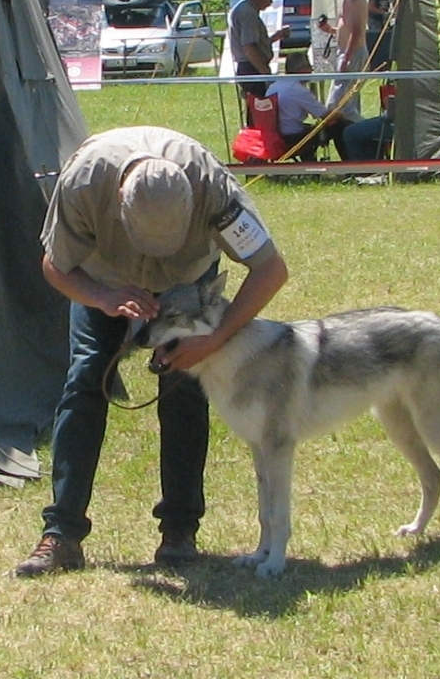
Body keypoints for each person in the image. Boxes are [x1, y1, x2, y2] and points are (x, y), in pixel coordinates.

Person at [15, 125, 288, 577]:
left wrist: (213, 340)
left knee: (183, 392)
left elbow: (270, 270)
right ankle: (61, 533)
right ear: (119, 204)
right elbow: (55, 265)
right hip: (101, 282)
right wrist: (102, 298)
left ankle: (179, 531)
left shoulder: (213, 187)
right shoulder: (84, 181)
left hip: (189, 286)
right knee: (85, 381)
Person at [265, 52, 347, 161]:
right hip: (293, 136)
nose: (311, 70)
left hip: (275, 134)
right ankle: (349, 162)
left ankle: (309, 162)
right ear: (301, 69)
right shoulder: (298, 90)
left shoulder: (274, 86)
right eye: (309, 67)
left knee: (309, 128)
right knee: (340, 125)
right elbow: (325, 115)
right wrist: (341, 114)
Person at [318, 0, 368, 123]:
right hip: (347, 52)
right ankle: (353, 138)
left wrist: (347, 58)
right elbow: (347, 28)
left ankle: (371, 132)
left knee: (337, 106)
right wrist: (330, 30)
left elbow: (357, 31)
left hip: (352, 53)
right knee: (349, 103)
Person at [228, 0, 289, 100]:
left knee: (257, 109)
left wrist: (275, 38)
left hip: (250, 67)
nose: (271, 2)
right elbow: (249, 47)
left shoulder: (245, 10)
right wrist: (265, 73)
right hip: (252, 67)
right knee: (261, 109)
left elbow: (253, 43)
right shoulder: (247, 13)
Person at [366, 0, 397, 70]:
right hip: (374, 18)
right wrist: (383, 13)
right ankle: (376, 63)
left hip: (385, 18)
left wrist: (395, 12)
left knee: (387, 38)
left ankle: (387, 62)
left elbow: (394, 2)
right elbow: (370, 7)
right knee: (377, 38)